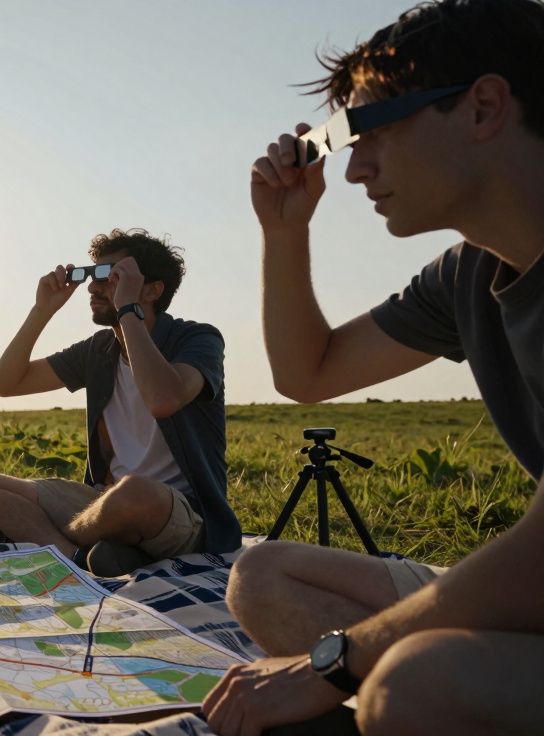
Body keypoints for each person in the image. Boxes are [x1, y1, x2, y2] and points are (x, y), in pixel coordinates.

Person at [202, 2, 544, 733]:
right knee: (263, 577)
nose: (354, 170)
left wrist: (338, 661)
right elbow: (308, 373)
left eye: (369, 132)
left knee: (417, 684)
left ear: (483, 106)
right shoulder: (467, 277)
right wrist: (285, 230)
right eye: (341, 143)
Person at [0, 229, 238, 576]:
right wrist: (42, 310)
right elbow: (5, 384)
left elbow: (163, 399)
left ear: (151, 289)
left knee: (135, 493)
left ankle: (66, 544)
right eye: (92, 275)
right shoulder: (98, 350)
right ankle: (80, 557)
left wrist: (128, 312)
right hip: (103, 502)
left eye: (110, 276)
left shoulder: (197, 339)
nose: (93, 287)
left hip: (180, 513)